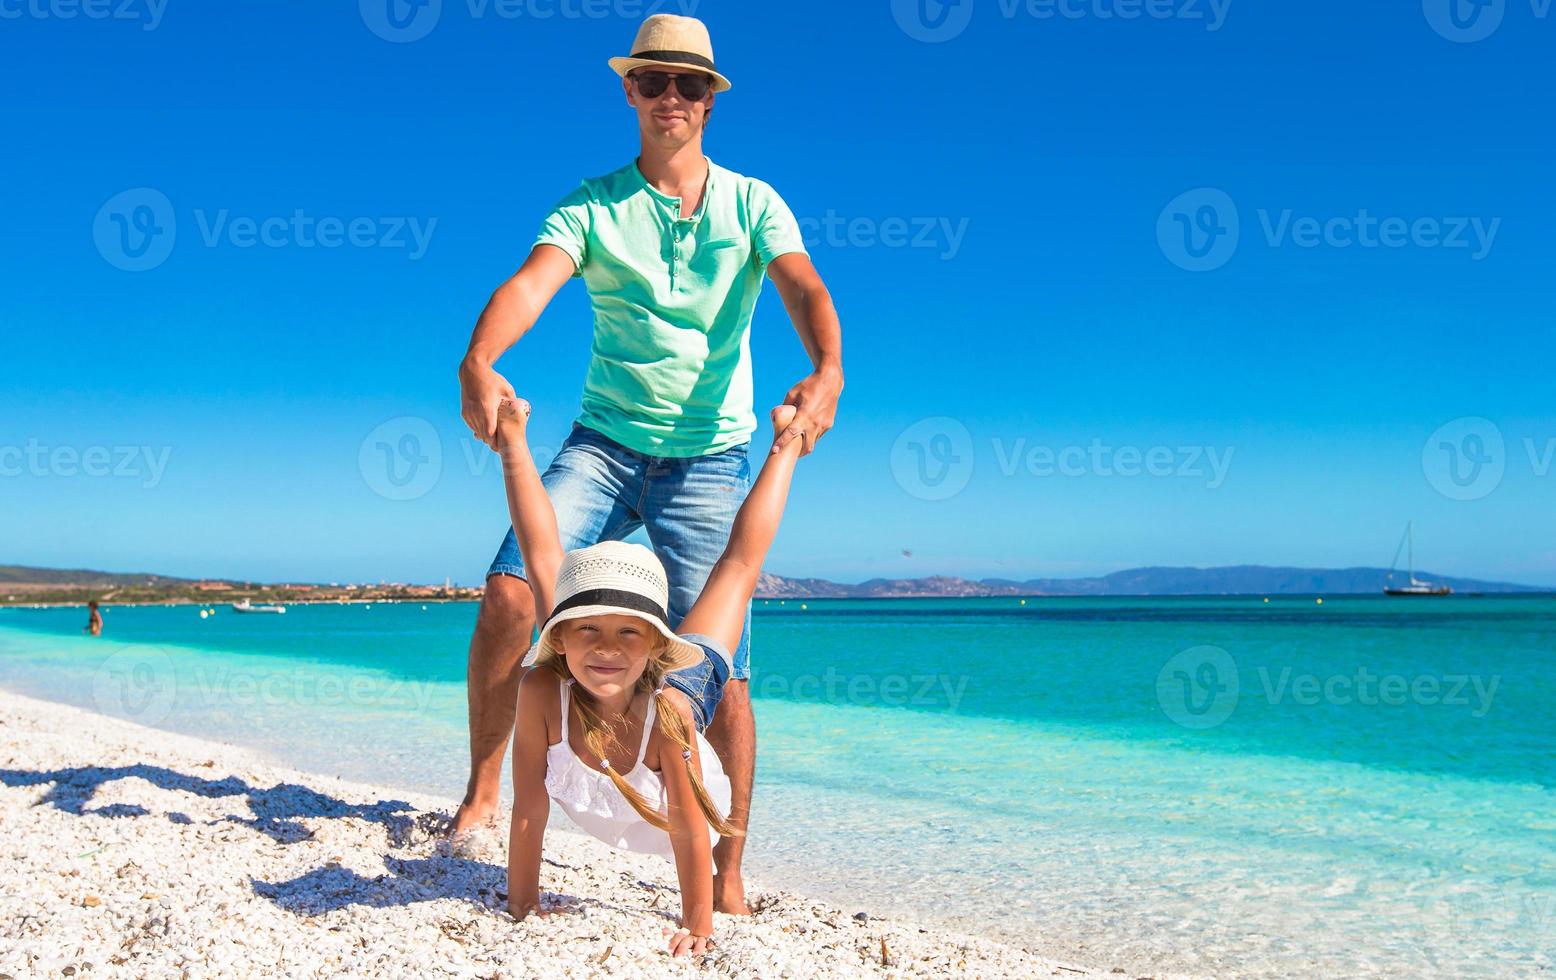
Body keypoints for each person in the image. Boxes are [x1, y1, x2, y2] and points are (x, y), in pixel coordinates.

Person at [451, 13, 843, 915]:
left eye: (691, 85)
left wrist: (827, 368)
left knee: (722, 666)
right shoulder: (590, 205)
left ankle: (731, 861)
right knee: (513, 591)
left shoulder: (754, 204)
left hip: (712, 454)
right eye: (655, 81)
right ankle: (483, 789)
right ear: (629, 90)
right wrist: (480, 359)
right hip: (604, 439)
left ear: (711, 101)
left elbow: (805, 288)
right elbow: (529, 284)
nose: (673, 98)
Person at [495, 396, 806, 956]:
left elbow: (689, 831)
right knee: (544, 563)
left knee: (736, 570)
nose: (606, 649)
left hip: (677, 692)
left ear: (658, 644)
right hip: (590, 670)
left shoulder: (669, 719)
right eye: (588, 629)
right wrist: (523, 904)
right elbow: (527, 810)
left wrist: (698, 926)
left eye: (628, 633)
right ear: (559, 636)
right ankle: (516, 446)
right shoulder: (542, 688)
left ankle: (787, 446)